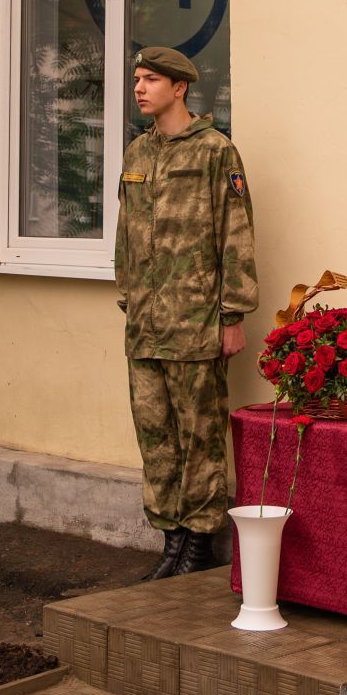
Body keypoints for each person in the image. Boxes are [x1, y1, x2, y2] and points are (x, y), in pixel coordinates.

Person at [114, 45, 257, 579]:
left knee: (199, 437)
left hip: (196, 323)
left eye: (151, 79)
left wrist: (233, 314)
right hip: (146, 325)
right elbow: (125, 235)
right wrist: (128, 294)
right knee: (155, 434)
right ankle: (169, 538)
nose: (140, 87)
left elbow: (237, 235)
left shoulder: (216, 152)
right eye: (137, 79)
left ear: (180, 88)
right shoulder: (137, 154)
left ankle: (199, 542)